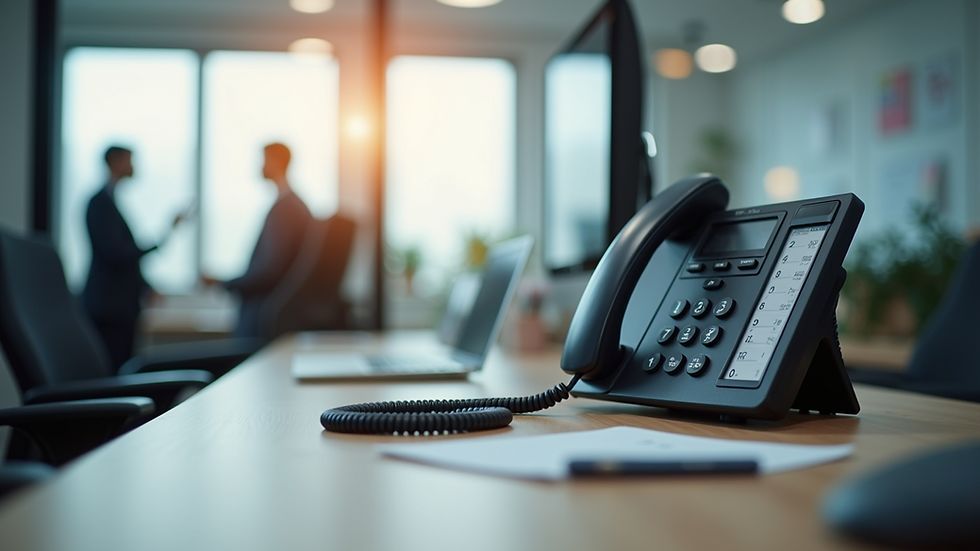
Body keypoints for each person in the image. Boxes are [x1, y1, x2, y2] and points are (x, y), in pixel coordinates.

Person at [82, 146, 184, 369]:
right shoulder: (99, 203)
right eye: (129, 160)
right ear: (115, 162)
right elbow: (115, 255)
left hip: (120, 307)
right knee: (113, 369)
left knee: (123, 367)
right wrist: (163, 236)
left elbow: (123, 259)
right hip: (109, 308)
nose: (133, 166)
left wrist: (146, 286)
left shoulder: (111, 202)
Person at [203, 143, 313, 338]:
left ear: (276, 161)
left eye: (264, 160)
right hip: (269, 312)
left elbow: (271, 269)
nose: (260, 166)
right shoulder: (291, 205)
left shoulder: (286, 209)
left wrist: (224, 283)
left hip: (263, 316)